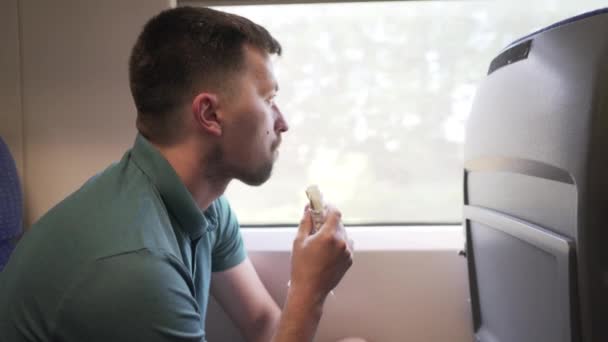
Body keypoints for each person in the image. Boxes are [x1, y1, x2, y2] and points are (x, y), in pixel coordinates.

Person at [0, 6, 353, 342]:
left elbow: (261, 323)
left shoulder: (207, 207)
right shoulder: (134, 267)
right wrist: (310, 291)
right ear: (210, 114)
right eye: (267, 99)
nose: (283, 123)